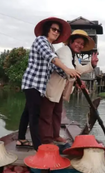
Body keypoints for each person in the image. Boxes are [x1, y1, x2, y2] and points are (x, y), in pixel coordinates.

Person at [16, 17, 80, 151]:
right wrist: (67, 68)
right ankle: (39, 148)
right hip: (32, 83)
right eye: (53, 29)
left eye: (58, 30)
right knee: (35, 115)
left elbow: (56, 68)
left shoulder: (51, 47)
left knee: (27, 113)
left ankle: (21, 139)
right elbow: (51, 58)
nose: (56, 32)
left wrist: (72, 77)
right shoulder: (41, 41)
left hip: (39, 87)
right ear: (47, 30)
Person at [39, 29, 99, 144]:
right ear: (71, 42)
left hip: (59, 89)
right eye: (77, 42)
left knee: (57, 113)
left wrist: (92, 64)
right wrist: (79, 81)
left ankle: (55, 135)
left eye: (82, 44)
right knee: (47, 115)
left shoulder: (74, 55)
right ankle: (46, 140)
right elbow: (68, 69)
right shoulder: (64, 51)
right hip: (51, 87)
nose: (79, 45)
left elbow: (78, 69)